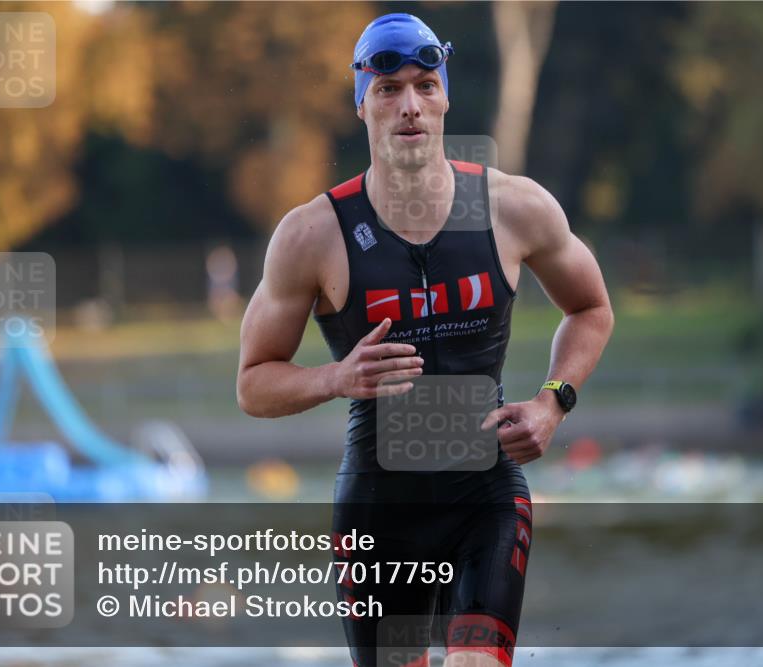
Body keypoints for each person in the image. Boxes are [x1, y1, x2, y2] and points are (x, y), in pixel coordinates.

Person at [237, 12, 614, 667]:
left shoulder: (513, 207)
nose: (409, 105)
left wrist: (553, 400)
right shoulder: (312, 234)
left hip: (485, 491)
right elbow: (252, 383)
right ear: (361, 104)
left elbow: (591, 307)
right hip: (380, 508)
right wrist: (334, 376)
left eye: (424, 85)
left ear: (445, 96)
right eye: (388, 91)